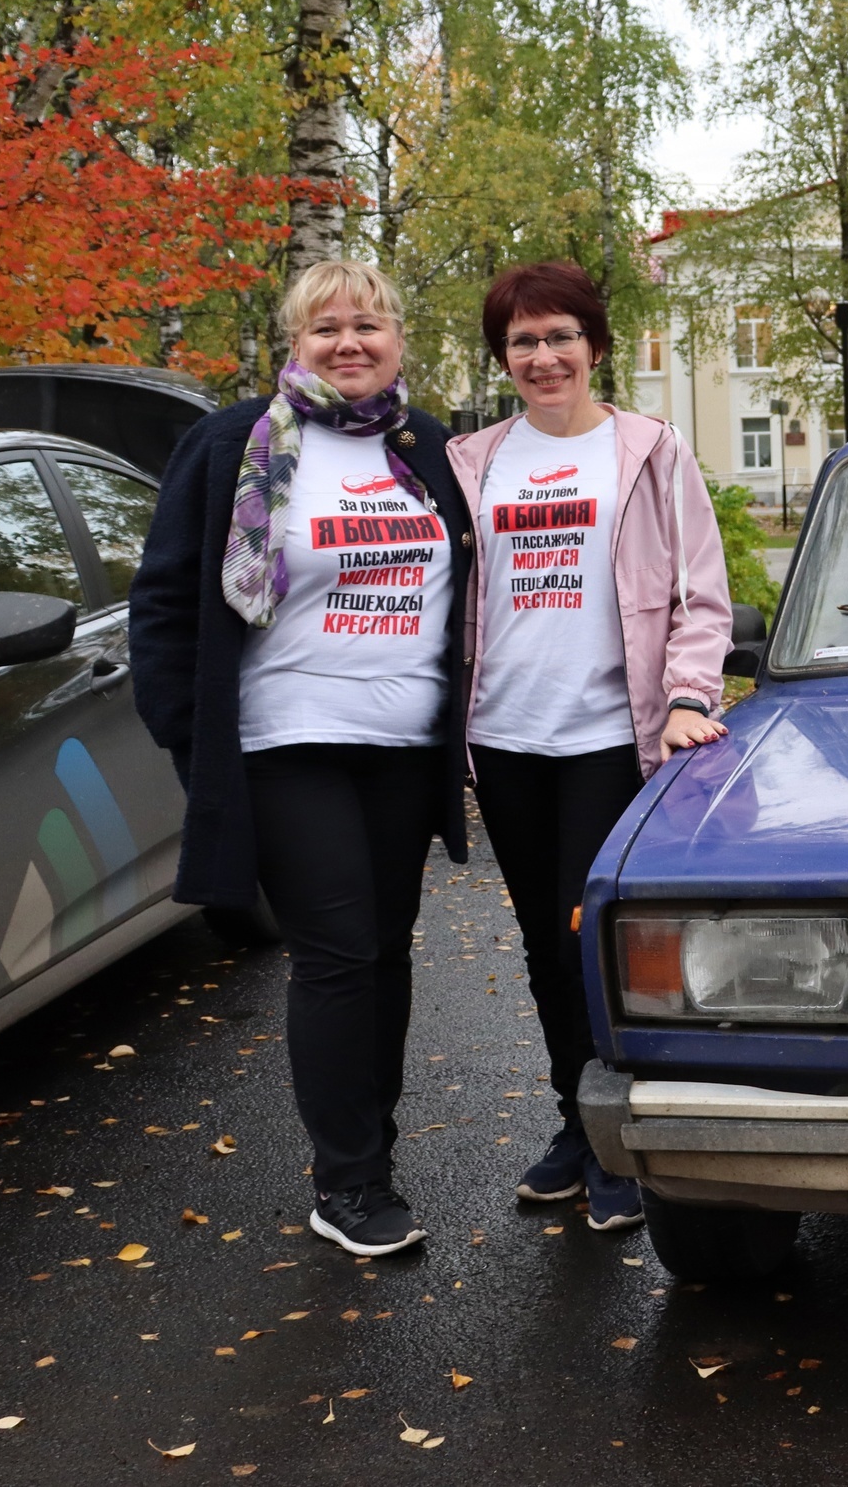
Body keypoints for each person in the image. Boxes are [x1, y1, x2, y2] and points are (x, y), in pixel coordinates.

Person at [131, 260, 474, 1256]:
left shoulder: (432, 451)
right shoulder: (236, 443)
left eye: (366, 325)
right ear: (295, 344)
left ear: (398, 339)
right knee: (335, 953)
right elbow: (163, 600)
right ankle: (350, 1183)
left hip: (404, 745)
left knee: (384, 953)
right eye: (324, 330)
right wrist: (183, 729)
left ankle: (371, 1150)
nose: (348, 344)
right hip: (286, 739)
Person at [448, 260, 733, 1234]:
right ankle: (577, 1123)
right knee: (539, 944)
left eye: (559, 336)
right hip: (506, 737)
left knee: (589, 942)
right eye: (523, 341)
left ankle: (622, 1144)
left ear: (595, 346)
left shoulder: (647, 452)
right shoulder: (471, 462)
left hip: (611, 738)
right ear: (505, 358)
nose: (543, 356)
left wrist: (689, 696)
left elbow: (702, 591)